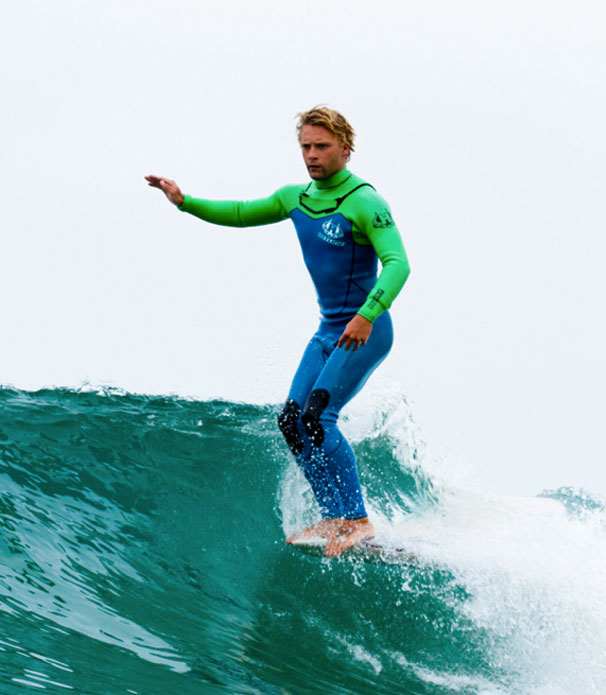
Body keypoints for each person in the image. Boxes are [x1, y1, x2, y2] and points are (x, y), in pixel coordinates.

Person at [145, 106, 410, 557]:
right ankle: (334, 517)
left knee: (320, 416)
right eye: (305, 146)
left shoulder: (365, 201)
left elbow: (398, 264)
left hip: (365, 329)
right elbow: (242, 212)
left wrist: (367, 314)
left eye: (321, 146)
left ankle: (358, 519)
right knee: (292, 421)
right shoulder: (295, 198)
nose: (311, 155)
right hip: (329, 329)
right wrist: (184, 202)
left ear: (345, 149)